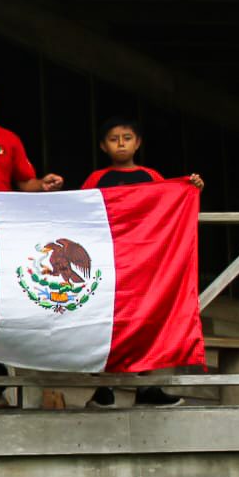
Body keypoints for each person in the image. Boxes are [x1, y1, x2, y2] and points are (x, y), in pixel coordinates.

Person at [81, 116, 201, 409]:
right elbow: (80, 211)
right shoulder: (97, 179)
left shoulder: (151, 176)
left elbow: (171, 202)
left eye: (126, 138)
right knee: (108, 324)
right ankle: (104, 389)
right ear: (103, 146)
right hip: (108, 265)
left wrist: (191, 186)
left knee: (146, 322)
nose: (121, 144)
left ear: (137, 143)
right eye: (113, 139)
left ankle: (147, 388)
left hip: (145, 265)